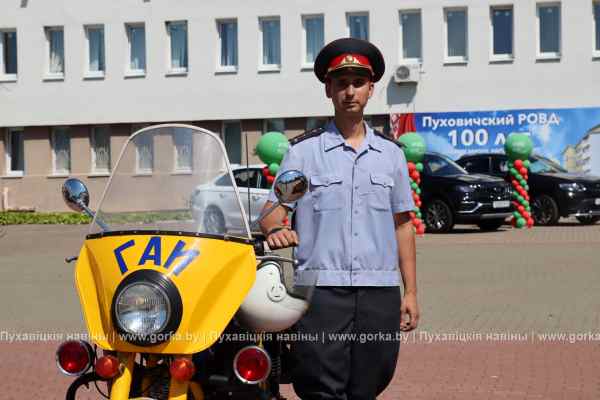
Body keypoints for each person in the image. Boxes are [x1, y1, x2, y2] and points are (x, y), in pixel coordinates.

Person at [259, 37, 419, 400]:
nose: (350, 91)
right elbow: (272, 213)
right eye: (342, 83)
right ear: (328, 89)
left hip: (378, 291)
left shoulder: (390, 156)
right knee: (320, 386)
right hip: (321, 292)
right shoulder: (304, 154)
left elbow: (403, 225)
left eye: (358, 83)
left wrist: (410, 292)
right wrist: (276, 230)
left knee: (370, 382)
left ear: (371, 89)